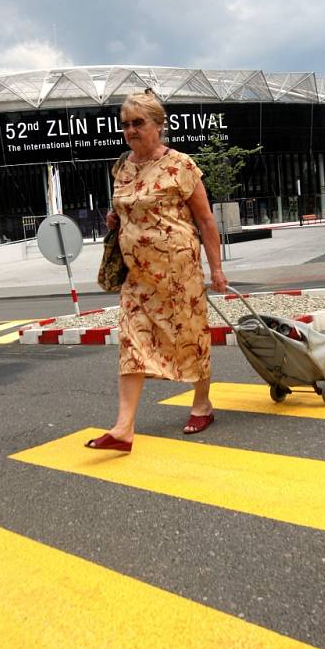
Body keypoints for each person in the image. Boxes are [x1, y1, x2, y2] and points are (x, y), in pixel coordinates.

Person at [85, 90, 228, 452]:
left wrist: (217, 269)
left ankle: (202, 404)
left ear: (159, 126)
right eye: (125, 125)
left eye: (138, 123)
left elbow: (206, 221)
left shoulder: (181, 165)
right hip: (137, 276)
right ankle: (123, 428)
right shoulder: (121, 167)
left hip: (179, 273)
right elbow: (124, 208)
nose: (130, 130)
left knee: (191, 336)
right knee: (131, 341)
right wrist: (115, 219)